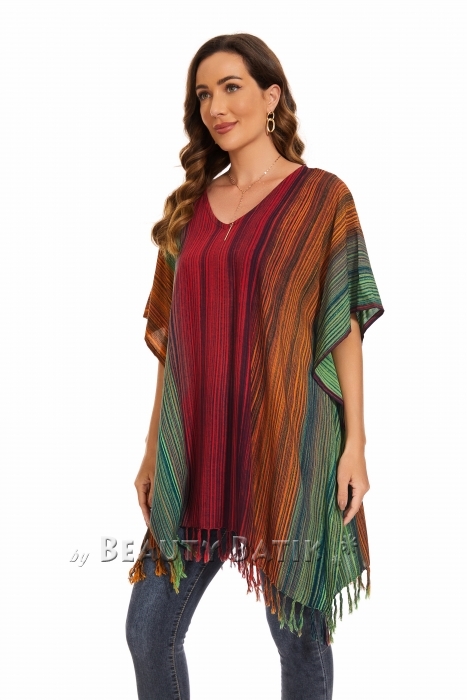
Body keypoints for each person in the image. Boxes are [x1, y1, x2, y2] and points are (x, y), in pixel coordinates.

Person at [125, 33, 384, 700]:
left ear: (271, 97)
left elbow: (342, 329)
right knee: (149, 629)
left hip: (289, 448)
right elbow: (172, 344)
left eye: (231, 87)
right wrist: (154, 448)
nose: (216, 106)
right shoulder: (188, 210)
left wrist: (355, 444)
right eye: (203, 94)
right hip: (199, 451)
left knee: (298, 635)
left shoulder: (321, 198)